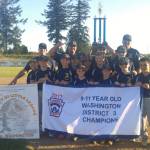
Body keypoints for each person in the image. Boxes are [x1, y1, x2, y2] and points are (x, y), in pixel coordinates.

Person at [134, 57, 150, 146]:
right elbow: (131, 84)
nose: (143, 67)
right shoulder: (138, 76)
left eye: (145, 65)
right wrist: (135, 84)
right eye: (141, 65)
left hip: (149, 99)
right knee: (142, 120)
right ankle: (144, 137)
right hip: (140, 100)